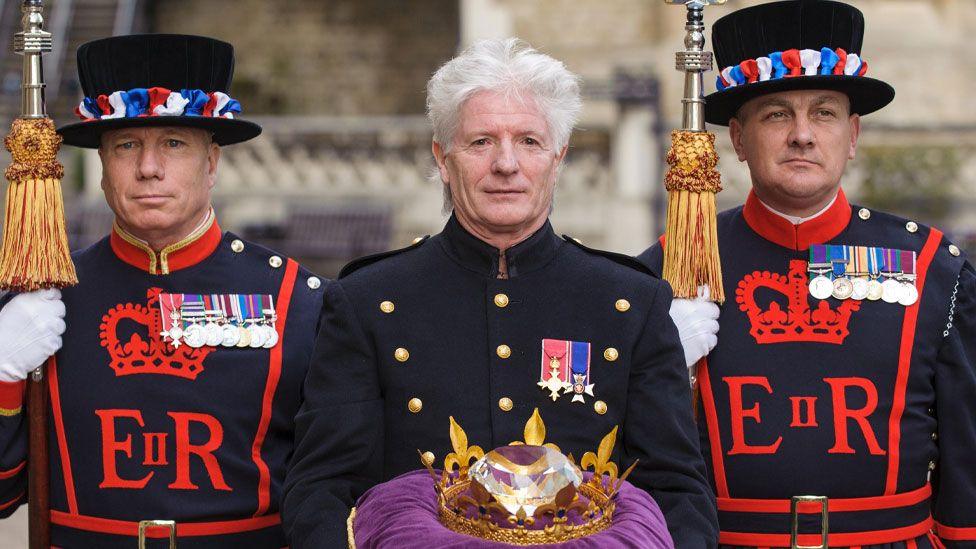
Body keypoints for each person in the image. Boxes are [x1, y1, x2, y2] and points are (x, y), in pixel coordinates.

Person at [282, 38, 718, 548]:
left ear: (558, 158)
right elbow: (320, 490)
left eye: (529, 142)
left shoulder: (629, 302)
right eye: (481, 141)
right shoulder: (366, 302)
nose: (506, 164)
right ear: (443, 159)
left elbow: (678, 493)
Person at [641, 1, 976, 546]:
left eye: (824, 112)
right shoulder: (670, 270)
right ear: (739, 141)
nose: (802, 134)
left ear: (853, 133)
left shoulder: (934, 268)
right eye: (776, 114)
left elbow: (967, 456)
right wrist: (652, 368)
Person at [0, 34, 324, 548]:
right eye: (127, 145)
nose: (149, 168)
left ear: (212, 162)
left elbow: (334, 491)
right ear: (102, 166)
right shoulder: (44, 303)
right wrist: (1, 375)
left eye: (174, 143)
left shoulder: (298, 300)